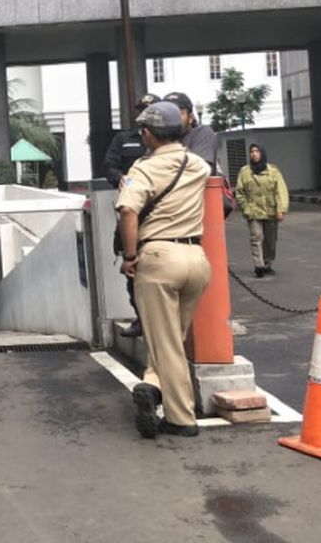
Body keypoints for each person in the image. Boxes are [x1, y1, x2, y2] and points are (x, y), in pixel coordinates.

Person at [116, 101, 212, 439]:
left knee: (165, 343)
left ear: (147, 133)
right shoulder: (198, 164)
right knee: (172, 339)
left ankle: (180, 419)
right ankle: (153, 386)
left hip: (158, 258)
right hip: (196, 259)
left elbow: (128, 210)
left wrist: (129, 256)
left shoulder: (144, 169)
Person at [104, 93, 161, 339]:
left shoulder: (168, 143)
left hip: (161, 211)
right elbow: (110, 165)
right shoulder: (124, 139)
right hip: (134, 209)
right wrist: (120, 179)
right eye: (142, 109)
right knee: (133, 267)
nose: (144, 112)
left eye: (150, 108)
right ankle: (140, 318)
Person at [235, 143, 289, 278]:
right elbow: (239, 192)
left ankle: (267, 263)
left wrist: (281, 209)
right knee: (256, 237)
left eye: (257, 151)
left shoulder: (273, 171)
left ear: (262, 153)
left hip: (270, 211)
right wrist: (246, 208)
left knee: (270, 240)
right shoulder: (245, 172)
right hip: (253, 211)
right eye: (252, 151)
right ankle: (258, 266)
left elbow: (280, 191)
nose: (254, 154)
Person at [162, 92, 218, 172]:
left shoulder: (201, 133)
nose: (172, 118)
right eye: (166, 114)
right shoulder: (157, 137)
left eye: (178, 113)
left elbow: (200, 171)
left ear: (190, 117)